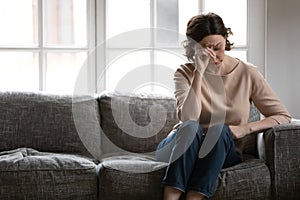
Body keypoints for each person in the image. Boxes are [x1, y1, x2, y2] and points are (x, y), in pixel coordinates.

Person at [155, 12, 291, 200]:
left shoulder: (247, 73)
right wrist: (199, 73)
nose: (213, 55)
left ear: (225, 41)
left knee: (218, 130)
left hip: (222, 149)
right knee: (191, 127)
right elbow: (188, 118)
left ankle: (194, 197)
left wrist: (244, 129)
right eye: (205, 49)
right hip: (181, 145)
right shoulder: (184, 73)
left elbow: (283, 116)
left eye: (218, 48)